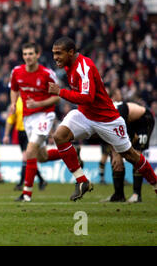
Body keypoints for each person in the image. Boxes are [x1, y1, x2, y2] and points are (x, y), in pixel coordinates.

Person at [48, 36, 157, 201]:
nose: (55, 57)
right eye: (53, 53)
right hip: (85, 115)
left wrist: (60, 92)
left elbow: (87, 97)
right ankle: (82, 181)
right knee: (59, 136)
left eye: (58, 53)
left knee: (130, 155)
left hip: (107, 119)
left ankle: (155, 185)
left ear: (71, 52)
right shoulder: (68, 65)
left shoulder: (84, 67)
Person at [7, 43, 61, 202]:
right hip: (27, 117)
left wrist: (38, 104)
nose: (28, 56)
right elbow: (14, 89)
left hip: (45, 115)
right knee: (41, 156)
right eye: (25, 54)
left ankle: (26, 194)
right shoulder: (16, 72)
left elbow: (57, 97)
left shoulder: (47, 74)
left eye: (31, 53)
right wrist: (12, 103)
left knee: (29, 152)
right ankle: (70, 153)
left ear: (37, 55)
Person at [102, 98, 155, 203]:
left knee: (136, 155)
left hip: (143, 121)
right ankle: (119, 195)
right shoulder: (101, 116)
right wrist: (114, 153)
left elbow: (131, 135)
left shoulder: (116, 110)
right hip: (127, 125)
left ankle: (137, 195)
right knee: (115, 159)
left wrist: (118, 152)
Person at [4, 96, 47, 191]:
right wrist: (6, 134)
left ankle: (21, 183)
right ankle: (41, 180)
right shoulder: (16, 101)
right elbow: (11, 118)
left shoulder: (31, 99)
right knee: (27, 159)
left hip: (30, 131)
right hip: (20, 133)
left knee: (26, 157)